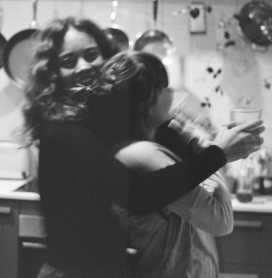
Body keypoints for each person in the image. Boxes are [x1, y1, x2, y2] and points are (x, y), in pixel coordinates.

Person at [22, 16, 264, 278]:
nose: (83, 67)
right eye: (68, 61)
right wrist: (217, 153)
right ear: (52, 74)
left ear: (106, 57)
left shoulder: (98, 125)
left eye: (92, 54)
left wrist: (193, 137)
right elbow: (139, 194)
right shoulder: (64, 134)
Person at [100, 51, 239, 278]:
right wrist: (212, 148)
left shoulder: (148, 146)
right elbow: (221, 220)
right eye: (164, 88)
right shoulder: (143, 155)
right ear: (146, 105)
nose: (172, 93)